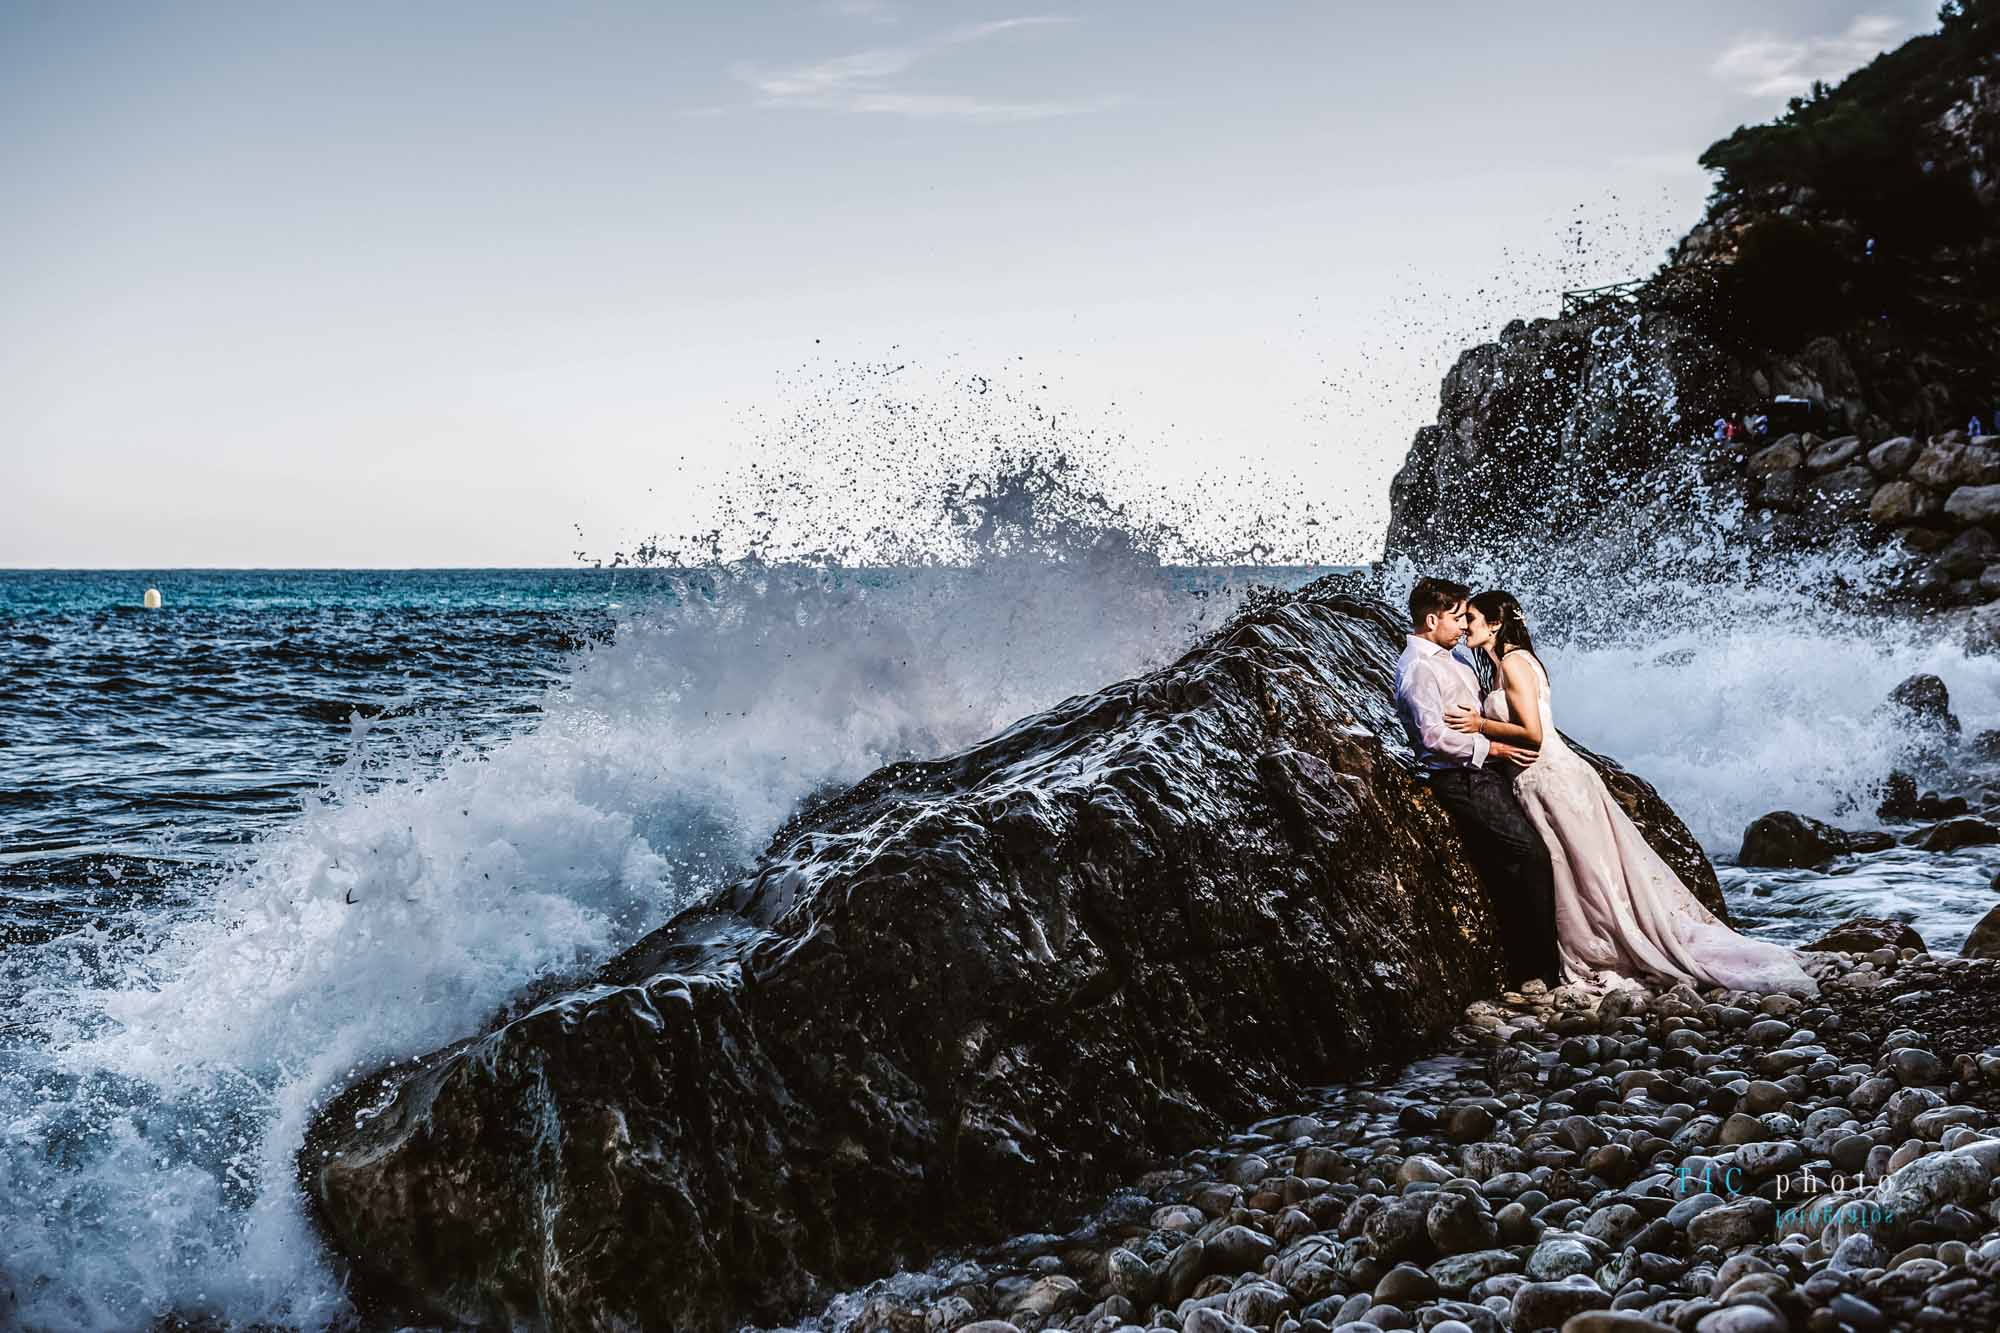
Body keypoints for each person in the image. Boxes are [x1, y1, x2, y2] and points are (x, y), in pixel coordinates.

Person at [1443, 590, 1818, 997]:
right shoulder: (1506, 665)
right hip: (1541, 782)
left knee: (1592, 873)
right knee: (1582, 871)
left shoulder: (1515, 663)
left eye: (1472, 619)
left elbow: (1532, 734)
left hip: (1552, 780)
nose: (1465, 627)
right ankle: (1604, 942)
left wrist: (1480, 725)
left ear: (1496, 624)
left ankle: (1616, 946)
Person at [1392, 577, 1560, 987]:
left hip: (1482, 771)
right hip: (1461, 776)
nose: (1464, 626)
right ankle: (1541, 970)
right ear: (1432, 620)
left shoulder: (1458, 660)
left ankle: (1530, 965)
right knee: (1530, 854)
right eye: (1457, 618)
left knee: (1511, 862)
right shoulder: (1418, 668)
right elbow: (1433, 737)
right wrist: (1495, 748)